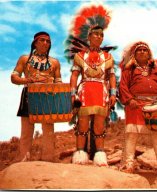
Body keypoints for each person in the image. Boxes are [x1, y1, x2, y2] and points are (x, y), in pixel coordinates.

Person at [65, 4, 116, 166]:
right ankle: (80, 153)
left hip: (101, 91)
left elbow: (112, 77)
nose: (99, 37)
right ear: (89, 37)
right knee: (83, 124)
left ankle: (99, 155)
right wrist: (73, 94)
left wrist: (114, 94)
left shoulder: (108, 57)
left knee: (99, 126)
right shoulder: (80, 56)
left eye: (101, 35)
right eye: (96, 35)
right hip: (85, 91)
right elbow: (74, 76)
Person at [119, 41, 157, 175]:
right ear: (134, 54)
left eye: (145, 50)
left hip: (155, 106)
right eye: (139, 50)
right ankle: (128, 164)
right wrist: (130, 100)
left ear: (149, 54)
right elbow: (123, 87)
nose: (142, 52)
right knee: (132, 135)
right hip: (135, 105)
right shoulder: (128, 70)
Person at [11, 31, 62, 162]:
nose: (46, 43)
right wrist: (27, 80)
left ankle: (48, 159)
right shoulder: (25, 59)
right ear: (35, 43)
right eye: (42, 40)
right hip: (29, 94)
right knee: (27, 130)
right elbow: (14, 77)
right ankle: (24, 159)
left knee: (48, 130)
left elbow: (58, 81)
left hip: (48, 96)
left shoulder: (54, 62)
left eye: (48, 41)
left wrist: (58, 94)